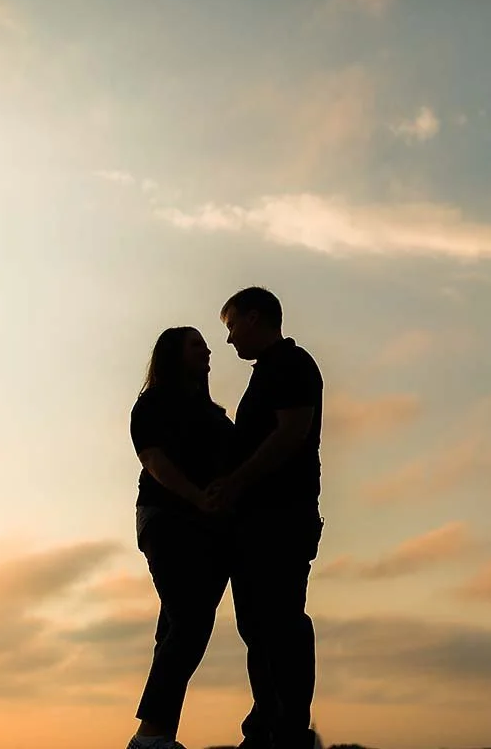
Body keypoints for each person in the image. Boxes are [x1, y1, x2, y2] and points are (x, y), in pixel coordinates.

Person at [207, 287, 324, 749]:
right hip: (259, 520)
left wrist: (236, 482)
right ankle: (267, 724)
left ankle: (286, 728)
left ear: (254, 318)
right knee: (258, 625)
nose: (230, 338)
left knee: (280, 622)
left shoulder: (291, 365)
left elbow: (291, 433)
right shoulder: (271, 371)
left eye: (232, 325)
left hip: (281, 517)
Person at [127, 326, 236, 749]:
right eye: (196, 344)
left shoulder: (217, 417)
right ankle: (149, 738)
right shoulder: (152, 405)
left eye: (206, 345)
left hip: (212, 529)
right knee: (189, 623)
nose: (207, 350)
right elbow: (154, 461)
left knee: (180, 629)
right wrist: (196, 497)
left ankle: (158, 737)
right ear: (173, 354)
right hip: (168, 521)